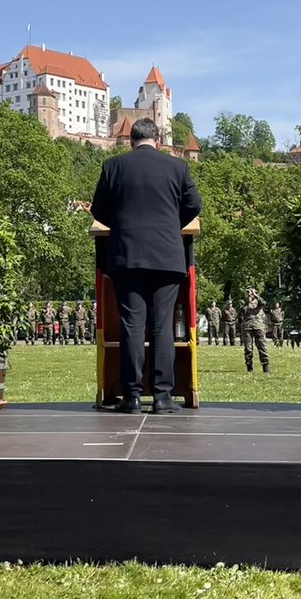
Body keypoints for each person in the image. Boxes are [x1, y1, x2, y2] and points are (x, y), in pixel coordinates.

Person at [91, 117, 201, 414]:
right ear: (159, 139)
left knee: (132, 325)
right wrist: (170, 226)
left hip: (127, 256)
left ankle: (132, 397)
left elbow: (99, 209)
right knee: (163, 326)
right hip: (167, 256)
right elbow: (194, 205)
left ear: (131, 140)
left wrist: (124, 226)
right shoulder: (178, 167)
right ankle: (163, 397)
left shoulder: (113, 167)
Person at [240, 287, 270, 374]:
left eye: (251, 292)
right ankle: (249, 368)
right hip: (248, 327)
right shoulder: (244, 303)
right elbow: (243, 312)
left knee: (262, 347)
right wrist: (247, 300)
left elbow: (263, 303)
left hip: (258, 326)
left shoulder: (259, 301)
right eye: (248, 292)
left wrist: (256, 295)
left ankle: (266, 367)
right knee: (248, 349)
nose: (250, 294)